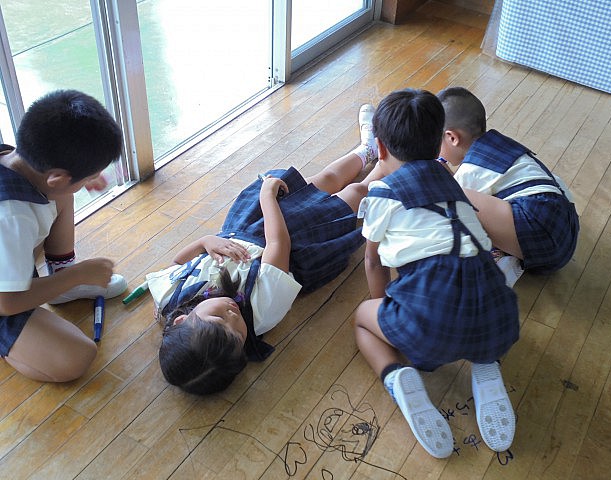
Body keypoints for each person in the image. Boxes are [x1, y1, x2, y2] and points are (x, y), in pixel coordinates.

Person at [150, 105, 382, 395]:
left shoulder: (168, 298)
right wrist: (267, 196)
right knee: (355, 193)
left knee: (325, 179)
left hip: (248, 225)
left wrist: (205, 241)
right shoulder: (262, 310)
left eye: (219, 319)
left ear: (182, 319)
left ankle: (368, 149)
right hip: (295, 240)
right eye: (238, 336)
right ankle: (391, 162)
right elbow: (278, 244)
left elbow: (177, 263)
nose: (232, 315)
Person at [353, 89, 520, 458]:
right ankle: (486, 364)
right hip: (499, 316)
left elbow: (373, 263)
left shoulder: (382, 194)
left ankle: (396, 375)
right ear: (438, 143)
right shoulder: (454, 183)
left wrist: (386, 313)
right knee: (470, 301)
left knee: (363, 319)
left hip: (431, 331)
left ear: (380, 148)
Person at [0, 90, 128, 382]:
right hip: (4, 296)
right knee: (75, 358)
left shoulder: (19, 162)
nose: (91, 181)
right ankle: (60, 281)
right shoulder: (12, 217)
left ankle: (57, 277)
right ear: (56, 176)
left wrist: (79, 178)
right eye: (88, 177)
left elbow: (58, 187)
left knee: (61, 195)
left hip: (9, 256)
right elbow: (6, 303)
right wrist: (77, 275)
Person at [436, 86, 580, 287]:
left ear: (452, 138)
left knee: (449, 196)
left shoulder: (471, 170)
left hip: (546, 240)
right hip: (565, 223)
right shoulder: (497, 144)